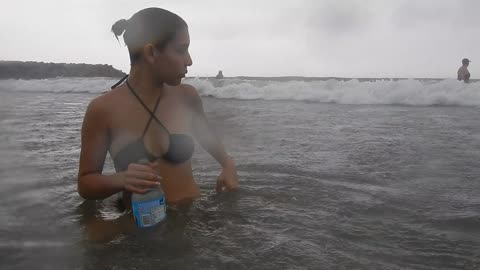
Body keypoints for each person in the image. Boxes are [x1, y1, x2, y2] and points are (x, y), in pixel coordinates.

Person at [77, 8, 239, 207]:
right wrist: (120, 179)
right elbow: (85, 183)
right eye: (181, 50)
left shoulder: (187, 97)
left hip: (192, 221)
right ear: (151, 52)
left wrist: (228, 164)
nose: (189, 60)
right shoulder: (103, 109)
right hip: (140, 229)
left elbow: (207, 137)